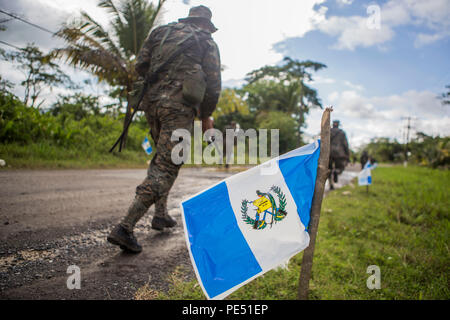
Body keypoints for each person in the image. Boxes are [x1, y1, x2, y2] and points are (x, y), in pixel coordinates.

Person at [107, 5, 221, 253]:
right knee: (167, 165)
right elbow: (213, 85)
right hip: (179, 109)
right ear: (206, 25)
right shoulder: (206, 42)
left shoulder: (161, 32)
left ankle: (160, 214)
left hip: (152, 104)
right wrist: (206, 115)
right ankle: (125, 227)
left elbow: (140, 66)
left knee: (163, 158)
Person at [329, 120, 350, 190]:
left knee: (328, 169)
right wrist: (347, 154)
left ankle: (331, 184)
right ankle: (336, 171)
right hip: (339, 154)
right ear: (338, 125)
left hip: (329, 153)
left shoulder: (329, 131)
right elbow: (345, 144)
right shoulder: (342, 132)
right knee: (340, 168)